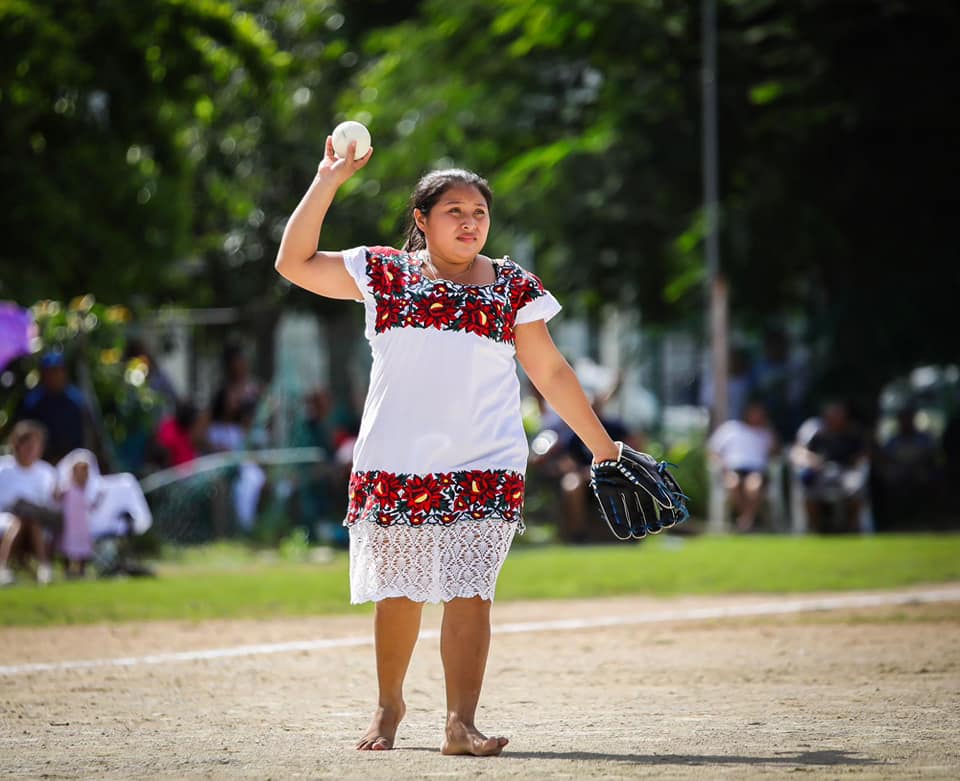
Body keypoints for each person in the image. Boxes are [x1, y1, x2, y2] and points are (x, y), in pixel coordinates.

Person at [275, 136, 622, 756]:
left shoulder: (512, 286)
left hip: (484, 460)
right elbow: (294, 262)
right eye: (454, 212)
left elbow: (551, 373)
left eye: (479, 212)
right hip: (397, 459)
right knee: (400, 594)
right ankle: (389, 707)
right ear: (422, 220)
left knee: (471, 592)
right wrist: (328, 178)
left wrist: (604, 447)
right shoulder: (383, 272)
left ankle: (461, 723)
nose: (470, 223)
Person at [791, 401, 869, 533]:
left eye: (839, 414)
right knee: (807, 491)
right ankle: (816, 529)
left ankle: (852, 528)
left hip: (846, 472)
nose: (835, 418)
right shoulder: (817, 433)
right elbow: (799, 452)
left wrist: (856, 463)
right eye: (832, 415)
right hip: (822, 472)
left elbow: (863, 455)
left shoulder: (852, 432)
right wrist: (812, 460)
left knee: (857, 487)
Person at [0, 421, 60, 585]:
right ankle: (43, 566)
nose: (32, 450)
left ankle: (4, 567)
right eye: (28, 445)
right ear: (17, 445)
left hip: (37, 522)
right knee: (20, 520)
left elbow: (50, 505)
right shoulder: (3, 468)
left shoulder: (47, 472)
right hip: (5, 518)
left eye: (36, 445)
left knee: (30, 519)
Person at [707, 400, 778, 531]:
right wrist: (721, 463)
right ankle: (747, 520)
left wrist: (770, 431)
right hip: (733, 468)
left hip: (756, 470)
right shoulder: (730, 428)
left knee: (753, 487)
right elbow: (713, 450)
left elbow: (774, 453)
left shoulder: (765, 433)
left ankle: (744, 521)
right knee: (732, 484)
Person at [16, 351, 94, 464]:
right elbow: (23, 433)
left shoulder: (77, 400)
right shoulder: (33, 401)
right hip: (41, 463)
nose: (54, 375)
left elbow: (88, 434)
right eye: (50, 372)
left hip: (72, 464)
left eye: (58, 371)